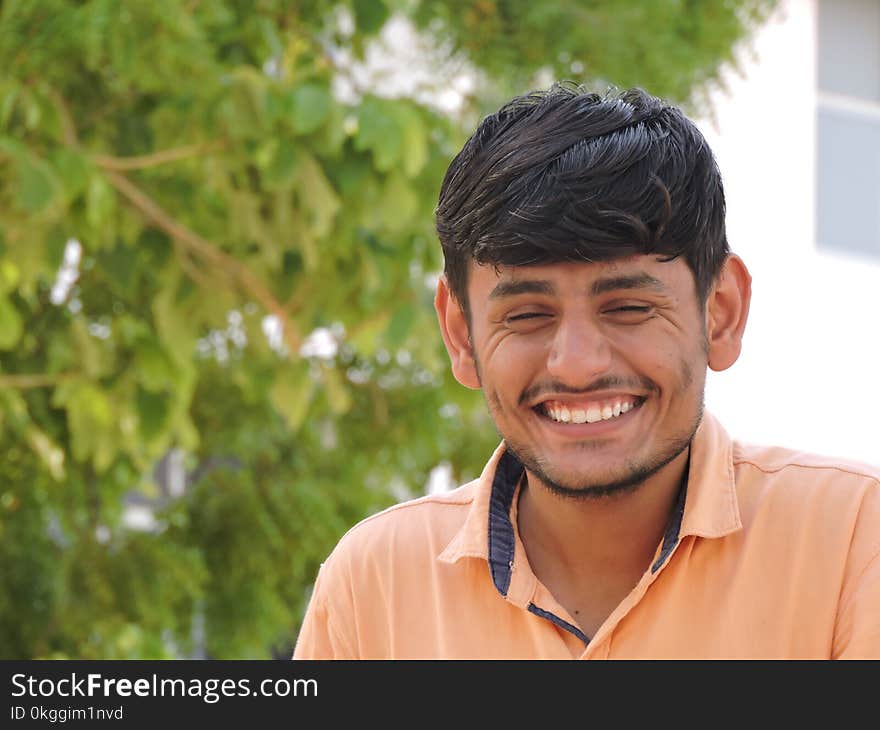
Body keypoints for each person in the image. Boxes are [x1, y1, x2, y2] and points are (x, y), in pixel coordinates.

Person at [293, 83, 880, 659]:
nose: (576, 365)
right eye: (526, 315)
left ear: (720, 313)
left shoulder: (853, 541)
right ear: (460, 333)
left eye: (628, 308)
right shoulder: (374, 589)